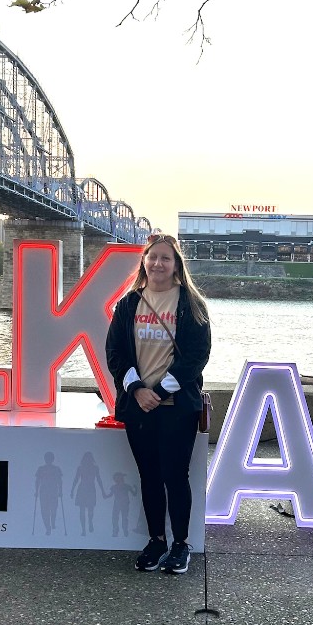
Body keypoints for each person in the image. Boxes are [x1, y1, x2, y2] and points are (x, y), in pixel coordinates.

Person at [105, 232, 212, 574]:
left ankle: (181, 544)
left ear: (176, 264)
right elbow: (115, 354)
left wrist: (161, 392)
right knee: (148, 476)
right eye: (152, 257)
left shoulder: (191, 304)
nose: (158, 263)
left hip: (175, 408)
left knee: (175, 476)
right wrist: (137, 389)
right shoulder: (128, 304)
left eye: (165, 258)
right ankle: (156, 540)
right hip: (139, 407)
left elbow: (197, 355)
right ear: (144, 262)